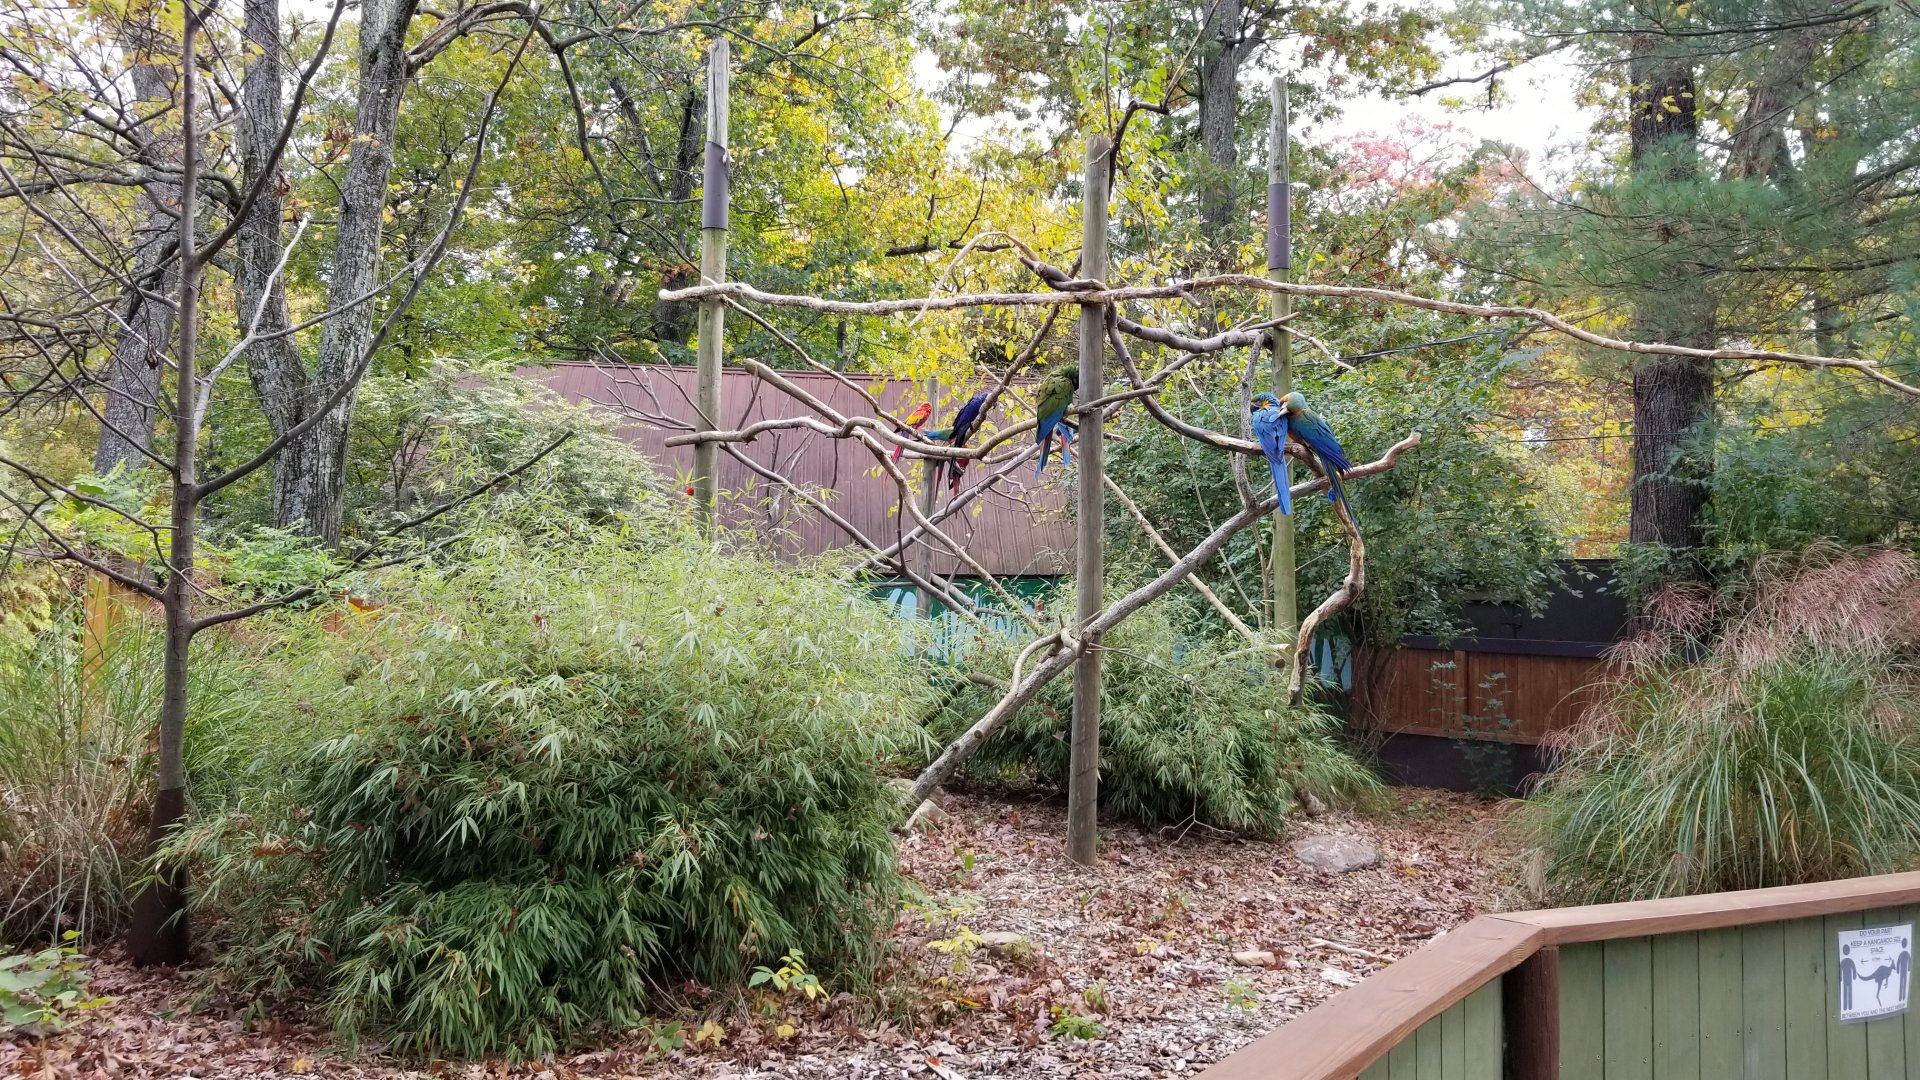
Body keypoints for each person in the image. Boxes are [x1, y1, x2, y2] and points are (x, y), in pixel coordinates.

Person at [1841, 944, 1857, 1011]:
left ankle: (1850, 1007)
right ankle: (1845, 1007)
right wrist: (1840, 977)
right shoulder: (1843, 961)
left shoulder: (1850, 961)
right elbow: (1840, 969)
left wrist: (1854, 976)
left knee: (1850, 992)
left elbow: (1854, 968)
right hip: (1845, 980)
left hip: (1849, 980)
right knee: (1845, 993)